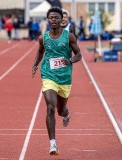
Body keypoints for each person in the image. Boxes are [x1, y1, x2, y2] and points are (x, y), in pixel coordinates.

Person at [31, 7, 82, 156]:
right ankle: (53, 144)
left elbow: (79, 54)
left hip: (65, 78)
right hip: (48, 75)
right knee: (50, 107)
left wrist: (71, 60)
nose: (53, 20)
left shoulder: (69, 36)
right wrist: (35, 64)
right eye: (51, 18)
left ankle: (66, 114)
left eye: (56, 17)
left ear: (61, 20)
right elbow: (40, 51)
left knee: (60, 110)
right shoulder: (43, 37)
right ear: (48, 20)